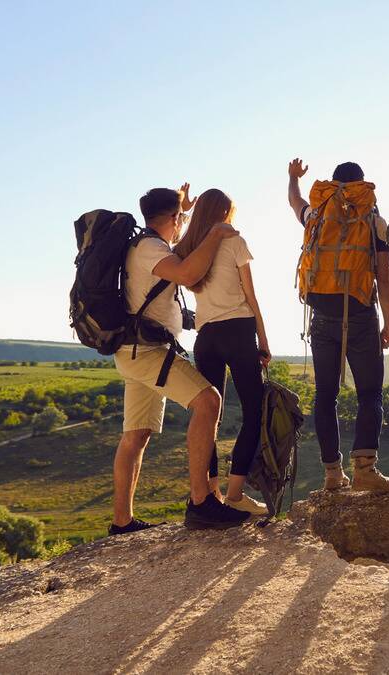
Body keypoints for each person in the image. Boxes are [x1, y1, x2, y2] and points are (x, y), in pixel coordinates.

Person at [110, 184, 251, 534]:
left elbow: (182, 249)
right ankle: (202, 502)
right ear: (171, 218)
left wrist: (185, 209)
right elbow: (189, 273)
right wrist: (217, 230)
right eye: (179, 219)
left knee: (135, 435)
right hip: (148, 352)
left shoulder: (144, 245)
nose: (181, 224)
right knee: (208, 401)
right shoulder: (150, 248)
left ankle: (121, 522)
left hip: (133, 351)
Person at [288, 159, 389, 491]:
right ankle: (364, 470)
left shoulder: (318, 215)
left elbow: (296, 204)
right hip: (361, 314)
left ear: (333, 185)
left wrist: (293, 178)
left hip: (321, 316)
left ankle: (333, 474)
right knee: (370, 393)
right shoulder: (373, 219)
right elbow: (383, 273)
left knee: (325, 395)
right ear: (361, 185)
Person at [172, 188, 270, 516]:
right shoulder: (235, 243)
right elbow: (251, 297)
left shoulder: (190, 249)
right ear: (226, 213)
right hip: (239, 331)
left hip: (206, 337)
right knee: (254, 412)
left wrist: (184, 210)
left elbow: (177, 240)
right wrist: (264, 340)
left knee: (208, 417)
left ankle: (210, 493)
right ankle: (236, 494)